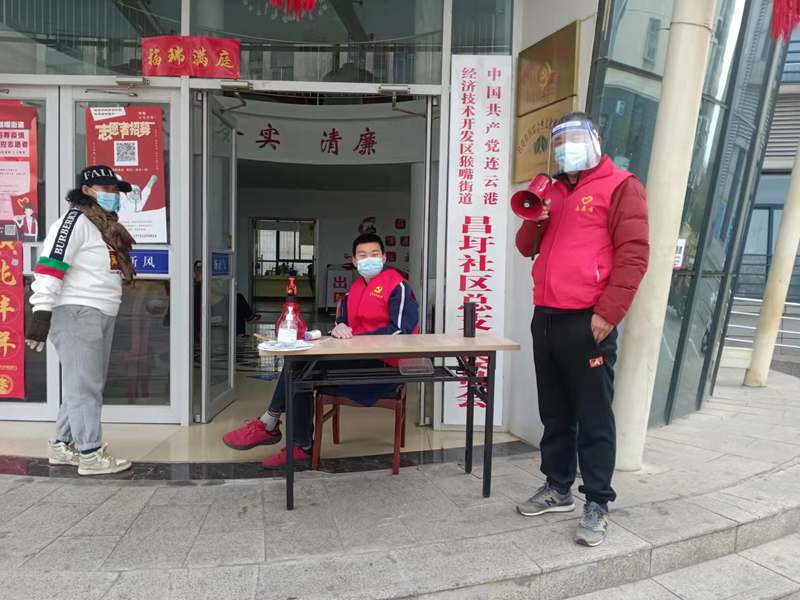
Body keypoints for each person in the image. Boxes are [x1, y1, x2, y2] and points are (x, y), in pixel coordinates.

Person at [513, 113, 649, 546]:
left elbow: (634, 255)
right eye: (558, 142)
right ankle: (558, 487)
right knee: (554, 411)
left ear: (595, 140)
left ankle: (597, 501)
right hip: (546, 317)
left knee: (593, 415)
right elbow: (525, 247)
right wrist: (536, 218)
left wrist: (608, 314)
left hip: (588, 318)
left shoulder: (621, 185)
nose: (565, 148)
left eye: (574, 138)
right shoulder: (551, 190)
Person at [223, 233, 419, 468]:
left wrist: (355, 338)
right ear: (354, 261)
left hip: (383, 369)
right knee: (299, 365)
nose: (369, 260)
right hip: (355, 360)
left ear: (384, 258)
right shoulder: (354, 290)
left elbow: (401, 332)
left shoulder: (397, 286)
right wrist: (339, 327)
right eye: (362, 255)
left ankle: (278, 429)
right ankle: (294, 442)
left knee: (301, 369)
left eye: (374, 254)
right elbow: (342, 323)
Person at [25, 165, 137, 476]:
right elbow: (50, 264)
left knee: (83, 384)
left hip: (99, 312)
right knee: (85, 386)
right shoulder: (74, 222)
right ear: (87, 190)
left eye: (116, 191)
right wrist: (41, 311)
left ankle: (62, 445)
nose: (113, 195)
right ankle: (90, 454)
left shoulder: (103, 225)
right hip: (77, 312)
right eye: (107, 189)